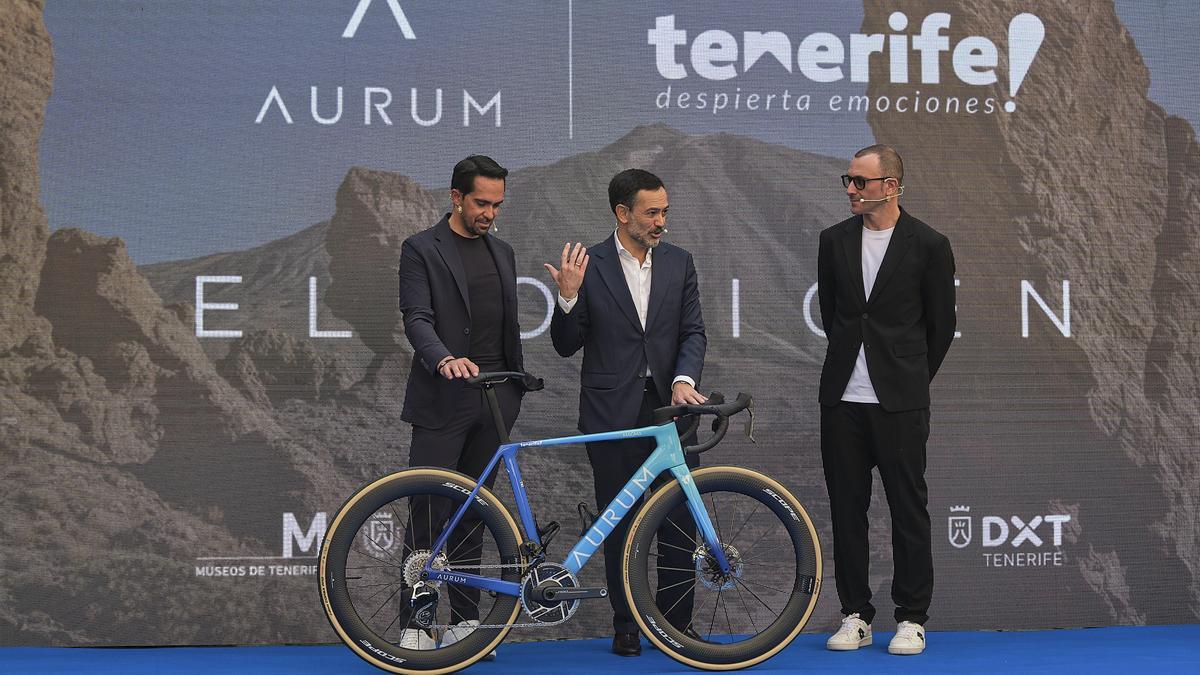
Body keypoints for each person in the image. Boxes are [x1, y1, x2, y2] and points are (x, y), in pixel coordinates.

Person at [546, 168, 708, 657]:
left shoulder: (680, 262)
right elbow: (564, 345)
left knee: (680, 524)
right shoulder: (588, 263)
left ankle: (676, 628)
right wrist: (569, 297)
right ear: (622, 213)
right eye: (651, 213)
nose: (661, 221)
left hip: (671, 413)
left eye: (665, 212)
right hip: (610, 415)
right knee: (620, 523)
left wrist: (683, 380)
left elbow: (693, 332)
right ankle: (628, 627)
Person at [817, 145, 956, 656]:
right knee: (846, 510)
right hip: (842, 401)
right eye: (847, 180)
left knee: (907, 510)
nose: (851, 189)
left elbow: (941, 326)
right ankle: (855, 615)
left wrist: (909, 380)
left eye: (861, 181)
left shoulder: (929, 244)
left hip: (900, 403)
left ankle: (912, 617)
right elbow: (835, 317)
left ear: (891, 186)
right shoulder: (833, 241)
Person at [396, 154, 524, 656]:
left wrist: (512, 385)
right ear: (456, 197)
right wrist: (443, 358)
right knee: (427, 510)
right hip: (442, 396)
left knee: (475, 512)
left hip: (496, 400)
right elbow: (416, 318)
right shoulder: (420, 249)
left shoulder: (504, 252)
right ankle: (419, 624)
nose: (489, 212)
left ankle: (467, 624)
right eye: (481, 202)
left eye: (497, 204)